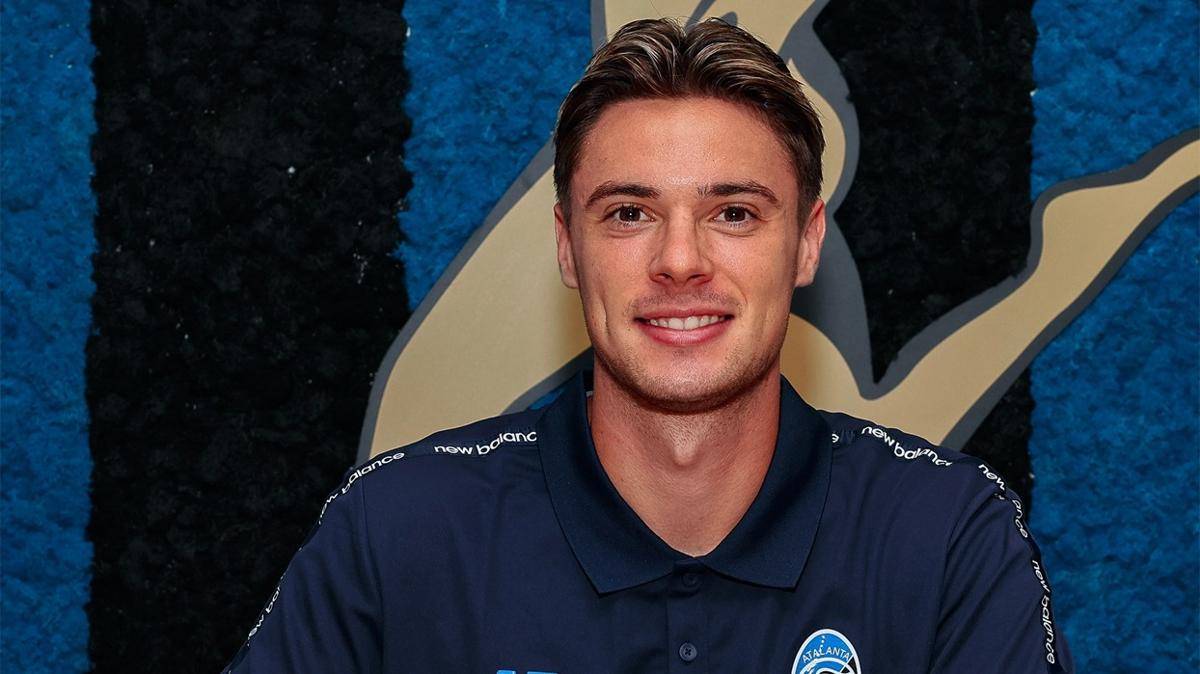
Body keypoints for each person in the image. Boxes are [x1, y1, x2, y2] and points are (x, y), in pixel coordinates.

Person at [224, 17, 1073, 673]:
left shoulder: (947, 535)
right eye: (629, 213)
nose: (679, 260)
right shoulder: (399, 529)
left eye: (733, 213)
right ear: (568, 246)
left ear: (807, 243)